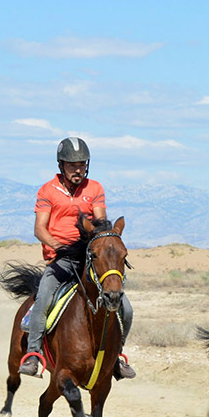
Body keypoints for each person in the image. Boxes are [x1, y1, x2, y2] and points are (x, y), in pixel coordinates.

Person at [19, 137, 136, 379]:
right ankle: (33, 355)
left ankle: (116, 356)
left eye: (82, 165)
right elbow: (39, 228)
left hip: (88, 257)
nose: (78, 170)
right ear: (61, 166)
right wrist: (57, 246)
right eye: (73, 165)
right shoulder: (47, 190)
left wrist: (101, 242)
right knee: (43, 300)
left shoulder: (94, 188)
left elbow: (100, 222)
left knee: (125, 308)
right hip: (60, 260)